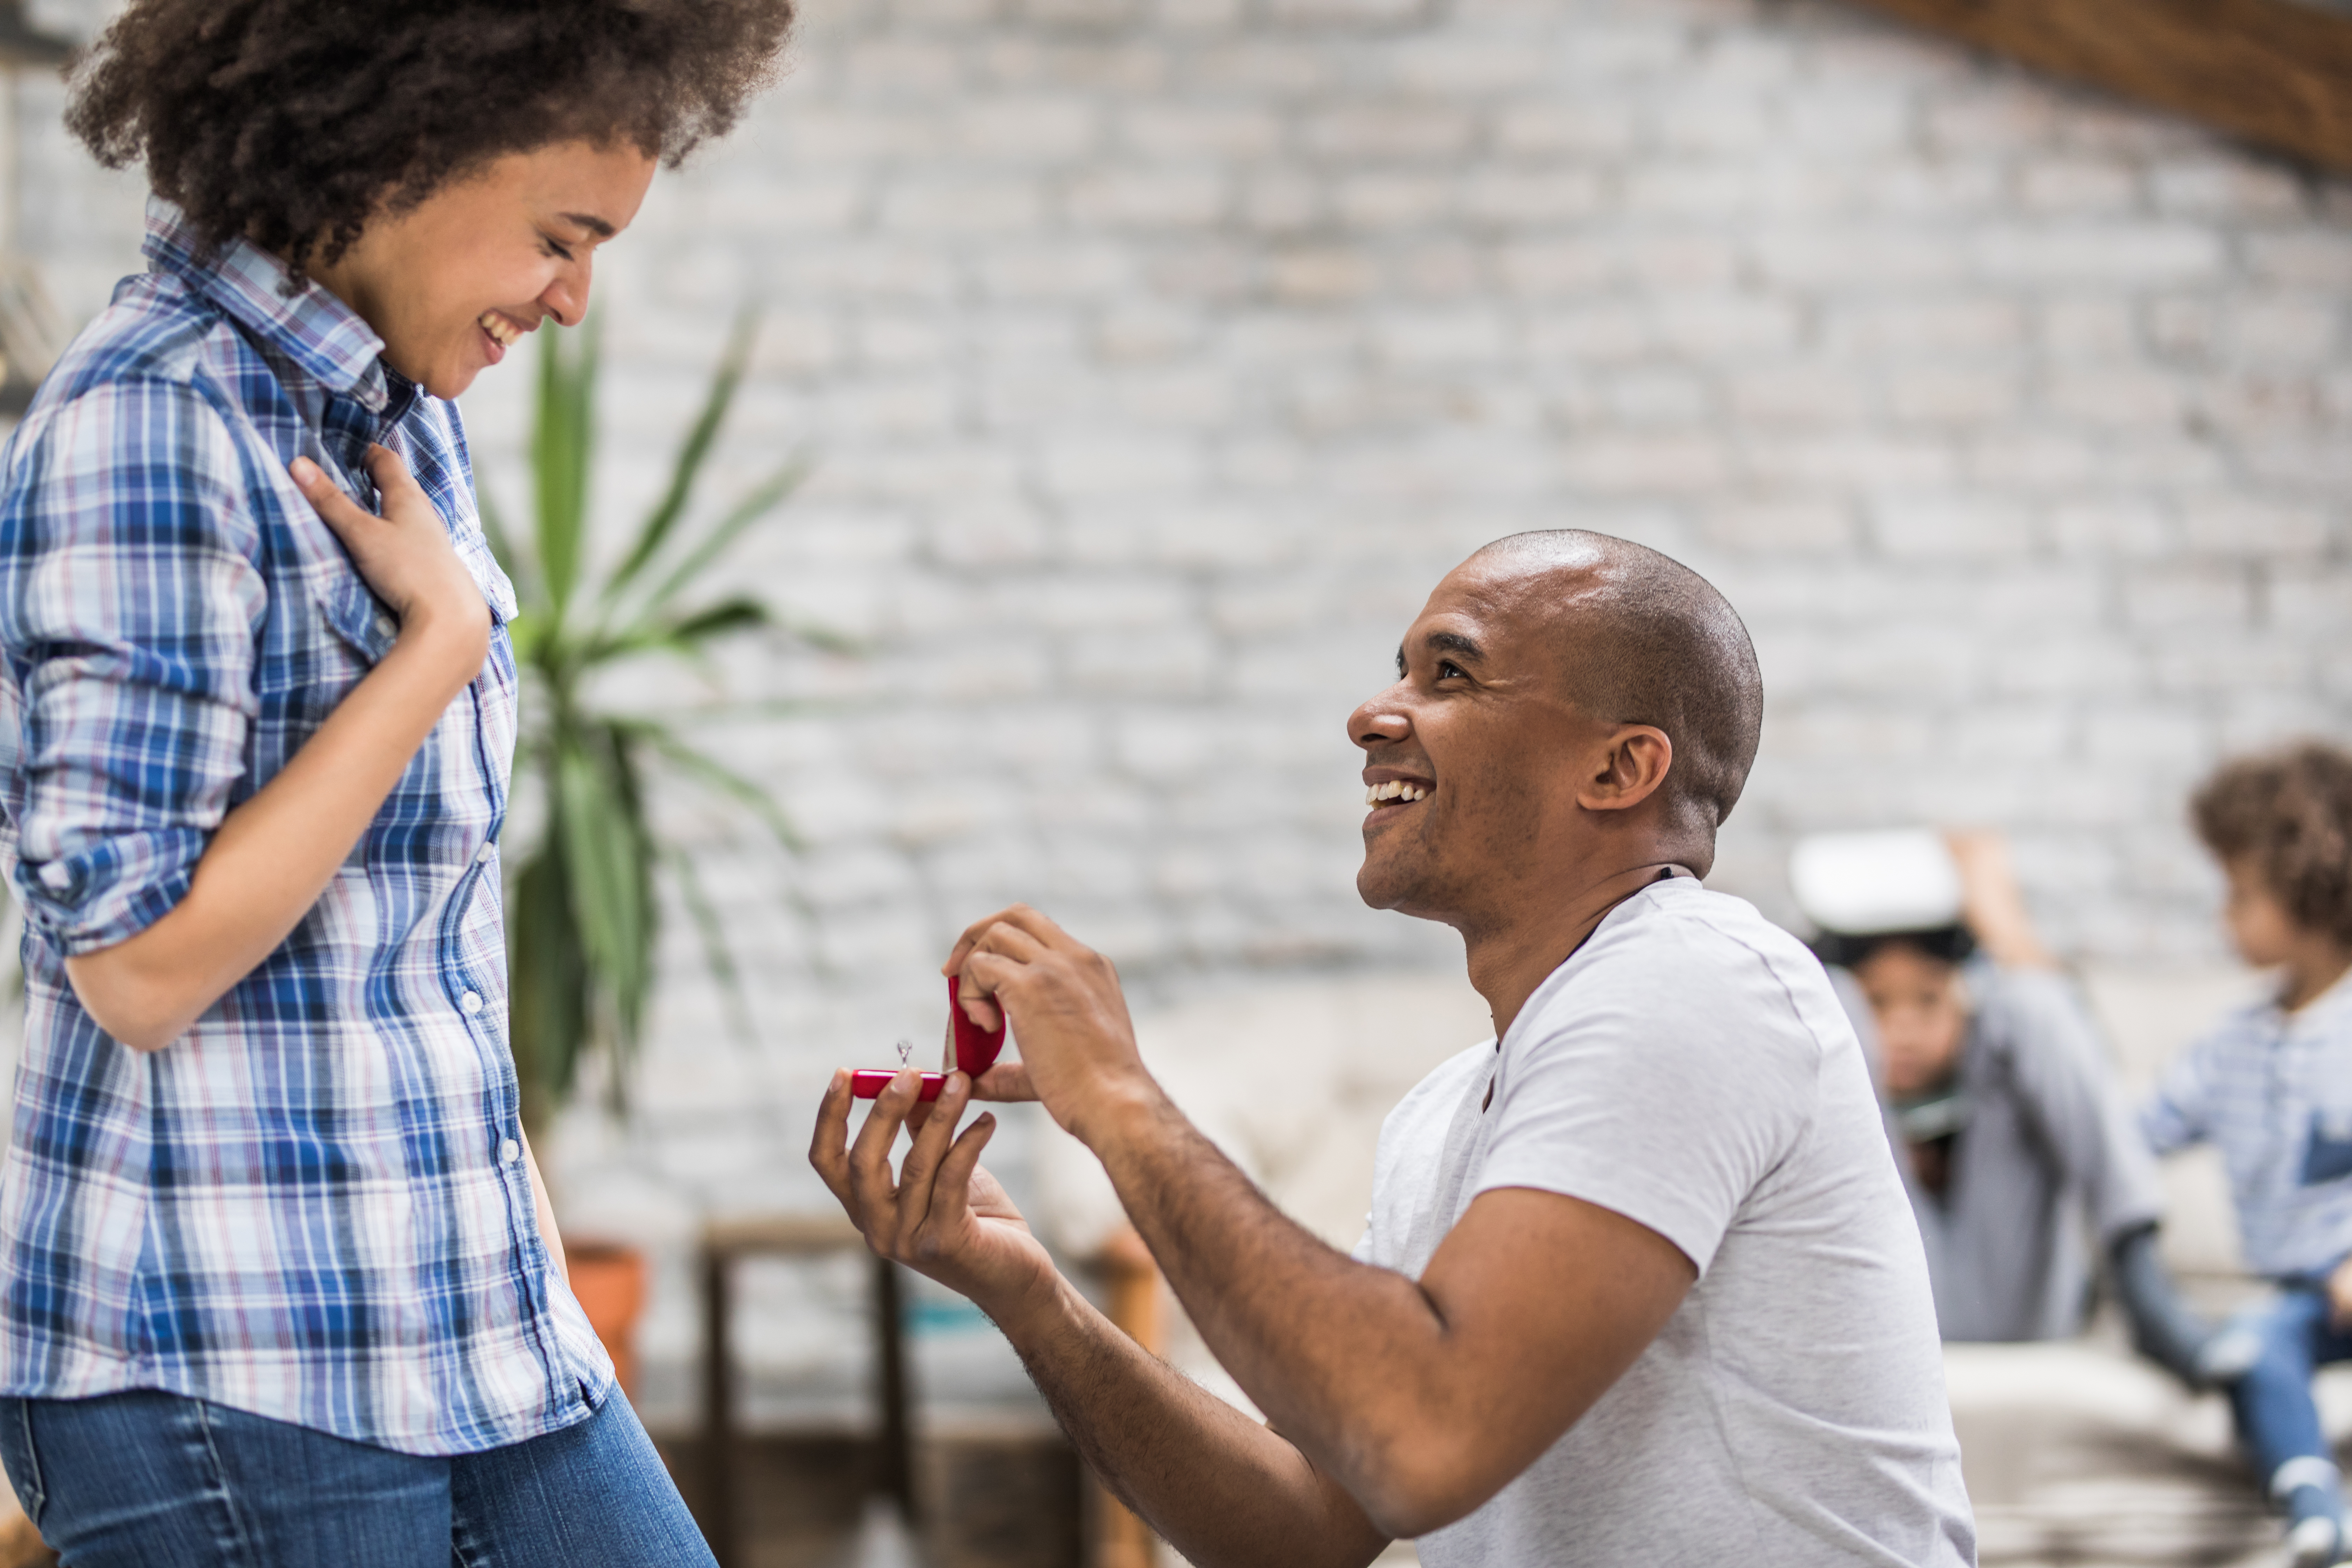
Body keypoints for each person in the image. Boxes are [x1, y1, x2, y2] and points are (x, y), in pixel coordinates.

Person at [0, 4, 791, 1564]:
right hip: (231, 1353)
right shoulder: (150, 424)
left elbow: (413, 941)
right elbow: (139, 964)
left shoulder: (398, 416)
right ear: (409, 146)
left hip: (471, 1321)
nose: (571, 300)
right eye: (563, 237)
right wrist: (437, 647)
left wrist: (537, 1283)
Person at [814, 531, 1977, 1566]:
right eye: (1402, 668)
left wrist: (1119, 1098)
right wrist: (1030, 1296)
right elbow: (1306, 1529)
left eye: (1452, 673)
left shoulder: (1700, 978)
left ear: (1620, 770)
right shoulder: (1447, 1114)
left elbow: (1424, 1441)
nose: (1372, 714)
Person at [1807, 833, 2218, 1374]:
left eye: (1927, 1001)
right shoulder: (1841, 1041)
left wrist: (1998, 922)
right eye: (1881, 1004)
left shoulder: (1996, 1043)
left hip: (2023, 1304)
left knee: (2033, 1002)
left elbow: (2068, 1043)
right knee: (1828, 993)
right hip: (1894, 1315)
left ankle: (2140, 1276)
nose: (1903, 1028)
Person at [2141, 742, 2352, 1568]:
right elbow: (2138, 1132)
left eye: (2241, 894)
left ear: (2312, 886)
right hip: (2304, 1302)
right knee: (2258, 1346)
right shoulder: (2231, 1045)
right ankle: (2312, 1506)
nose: (2225, 917)